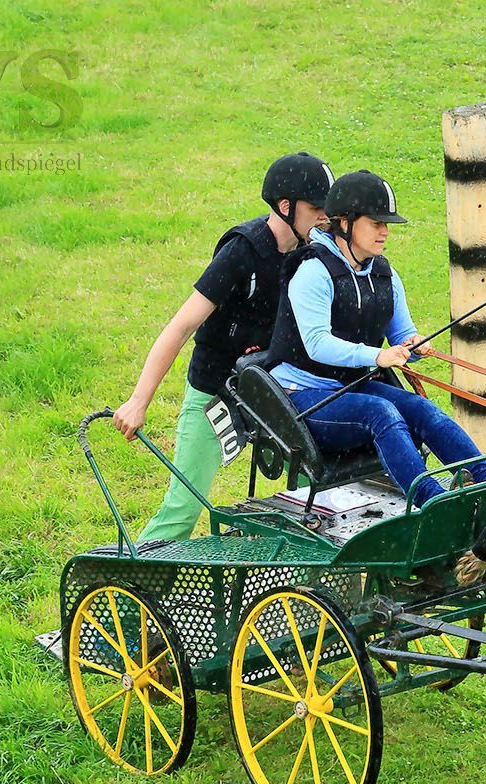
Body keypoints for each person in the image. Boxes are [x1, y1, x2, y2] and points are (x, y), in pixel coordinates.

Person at [112, 152, 336, 541]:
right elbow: (181, 326)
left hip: (274, 391)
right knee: (184, 508)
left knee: (321, 504)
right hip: (217, 392)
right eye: (316, 208)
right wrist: (139, 400)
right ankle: (133, 590)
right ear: (285, 207)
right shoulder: (241, 253)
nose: (324, 218)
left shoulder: (312, 252)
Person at [265, 168, 486, 506]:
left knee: (420, 409)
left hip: (352, 387)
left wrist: (413, 345)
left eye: (386, 224)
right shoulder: (312, 272)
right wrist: (376, 356)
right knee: (381, 413)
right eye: (377, 223)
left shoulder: (384, 274)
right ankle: (433, 503)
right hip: (303, 399)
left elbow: (401, 334)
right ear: (344, 222)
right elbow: (317, 344)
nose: (385, 232)